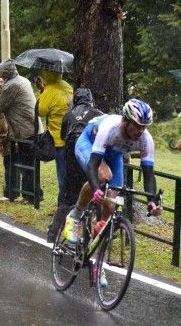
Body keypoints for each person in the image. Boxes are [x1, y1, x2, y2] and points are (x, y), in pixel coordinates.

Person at [62, 99, 163, 248]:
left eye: (144, 126)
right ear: (125, 121)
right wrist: (96, 188)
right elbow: (93, 164)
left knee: (111, 202)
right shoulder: (110, 127)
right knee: (102, 176)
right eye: (137, 125)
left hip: (114, 154)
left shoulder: (146, 140)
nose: (141, 131)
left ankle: (95, 241)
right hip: (88, 144)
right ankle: (74, 216)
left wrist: (151, 201)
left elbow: (148, 174)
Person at [46, 88, 103, 243]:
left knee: (70, 196)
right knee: (96, 189)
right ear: (91, 100)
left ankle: (55, 233)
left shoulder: (69, 115)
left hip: (72, 155)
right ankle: (100, 229)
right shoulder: (98, 113)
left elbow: (64, 136)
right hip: (91, 154)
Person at [0, 59, 43, 203]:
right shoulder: (23, 80)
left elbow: (0, 107)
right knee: (30, 162)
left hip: (25, 129)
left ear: (4, 73)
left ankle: (31, 195)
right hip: (34, 126)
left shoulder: (11, 86)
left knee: (27, 164)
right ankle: (33, 193)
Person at [38, 70, 73, 206]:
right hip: (72, 136)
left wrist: (43, 92)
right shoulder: (67, 86)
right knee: (71, 172)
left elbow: (41, 110)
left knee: (62, 174)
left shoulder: (50, 90)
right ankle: (71, 202)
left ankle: (62, 205)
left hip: (58, 138)